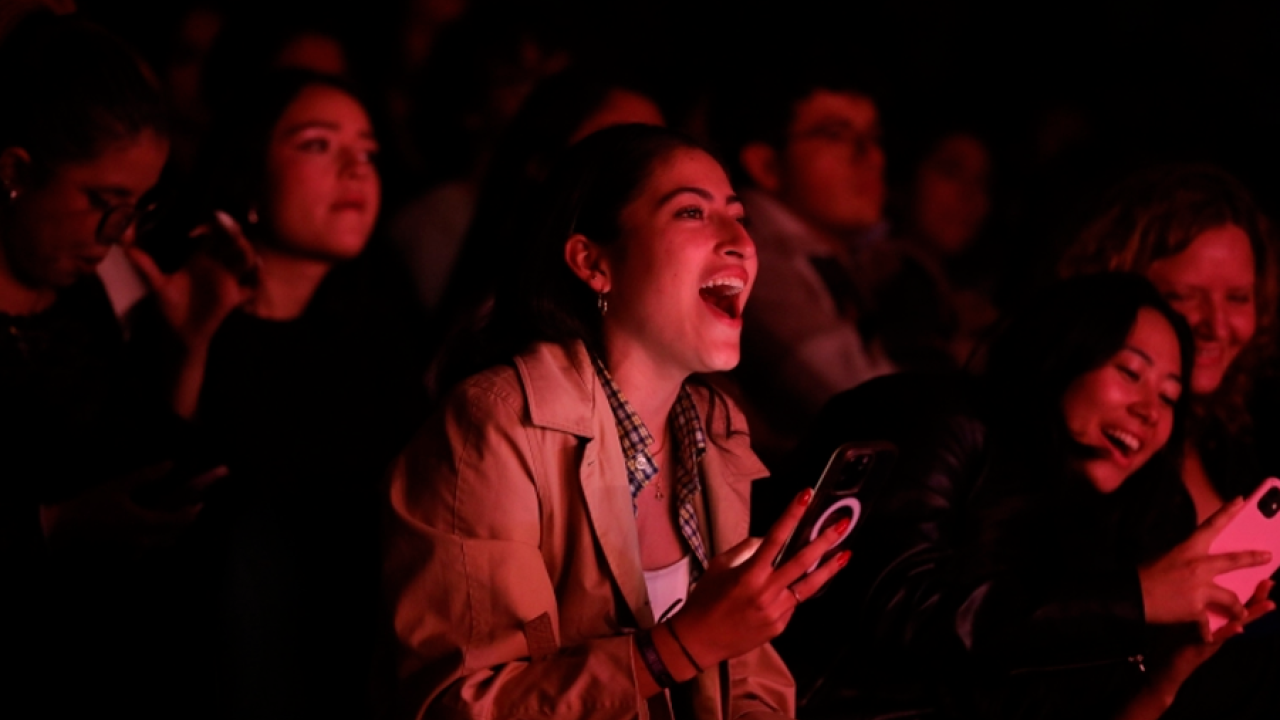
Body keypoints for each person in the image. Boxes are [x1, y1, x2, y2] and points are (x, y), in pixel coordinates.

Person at [384, 124, 848, 719]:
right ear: (592, 262)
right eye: (690, 212)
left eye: (740, 217)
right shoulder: (494, 426)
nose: (739, 241)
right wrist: (679, 647)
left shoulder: (714, 430)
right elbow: (459, 705)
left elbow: (751, 684)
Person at [774, 274, 1273, 719]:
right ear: (1065, 353)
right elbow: (906, 607)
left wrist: (1166, 678)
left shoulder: (1119, 522)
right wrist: (1138, 596)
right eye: (1130, 373)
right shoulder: (942, 420)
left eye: (1169, 395)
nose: (1150, 411)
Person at [132, 69, 430, 718]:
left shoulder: (379, 334)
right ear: (250, 171)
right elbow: (155, 519)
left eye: (369, 151)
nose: (356, 167)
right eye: (318, 144)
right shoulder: (175, 311)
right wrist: (192, 344)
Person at [1059, 165, 1280, 519]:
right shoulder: (1082, 434)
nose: (1218, 326)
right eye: (1183, 296)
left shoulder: (1230, 438)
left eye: (1238, 298)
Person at [713, 67, 895, 462]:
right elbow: (868, 406)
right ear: (766, 165)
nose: (871, 157)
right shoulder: (748, 253)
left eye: (875, 137)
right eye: (837, 135)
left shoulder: (841, 259)